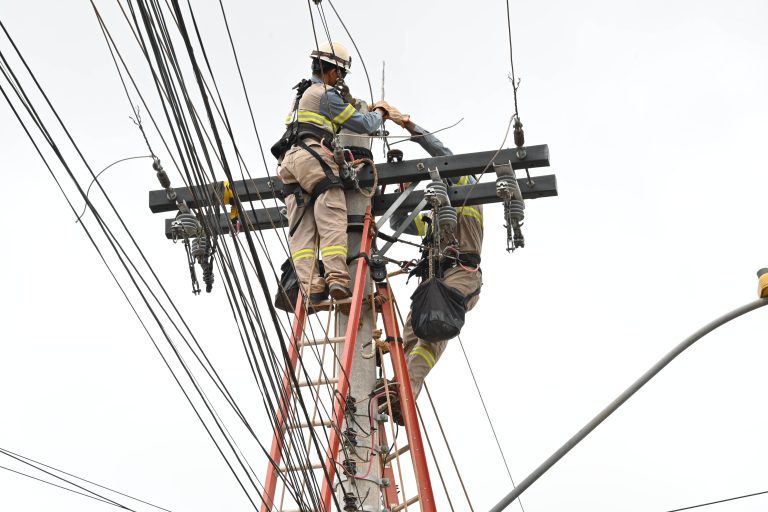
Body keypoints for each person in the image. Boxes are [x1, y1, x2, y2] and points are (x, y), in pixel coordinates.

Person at [278, 42, 405, 304]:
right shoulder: (325, 94)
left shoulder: (302, 96)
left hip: (289, 164)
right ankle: (337, 278)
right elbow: (362, 124)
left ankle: (311, 285)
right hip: (312, 157)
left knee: (302, 227)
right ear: (335, 72)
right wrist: (381, 112)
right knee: (332, 214)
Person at [393, 119, 484, 404]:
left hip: (462, 273)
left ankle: (407, 389)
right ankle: (399, 388)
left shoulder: (466, 191)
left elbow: (442, 153)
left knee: (434, 325)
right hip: (435, 280)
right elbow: (397, 221)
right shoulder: (430, 218)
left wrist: (410, 126)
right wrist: (401, 191)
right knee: (410, 335)